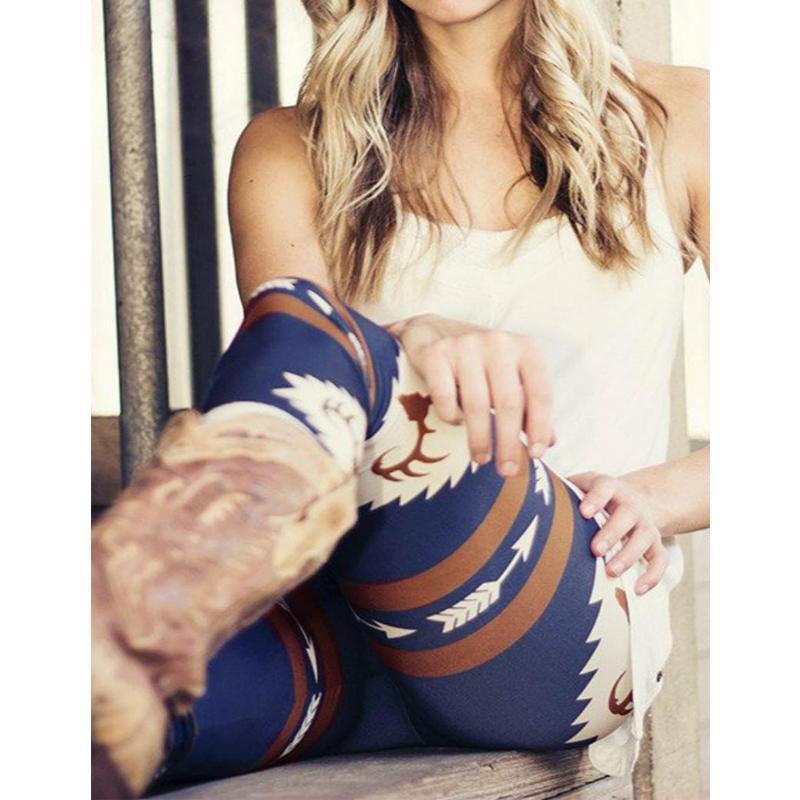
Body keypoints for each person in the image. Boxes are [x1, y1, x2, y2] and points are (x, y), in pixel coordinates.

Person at [91, 1, 710, 797]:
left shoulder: (684, 117)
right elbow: (299, 382)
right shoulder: (289, 149)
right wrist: (413, 336)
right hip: (337, 631)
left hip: (558, 628)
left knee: (339, 338)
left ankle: (153, 581)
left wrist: (653, 498)